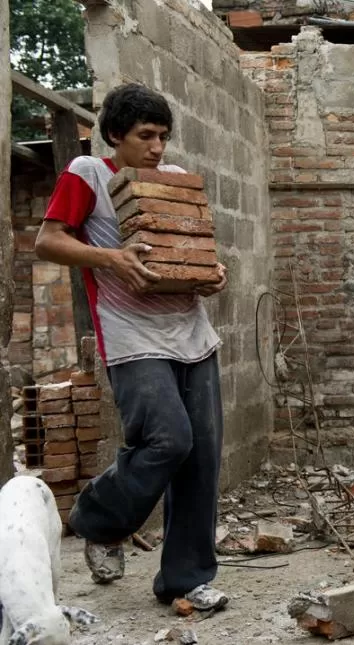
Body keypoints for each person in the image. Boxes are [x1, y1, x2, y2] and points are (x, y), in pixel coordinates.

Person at [34, 83, 230, 611]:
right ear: (116, 134)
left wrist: (212, 274)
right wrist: (112, 259)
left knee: (202, 459)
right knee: (169, 440)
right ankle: (99, 520)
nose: (158, 147)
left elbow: (197, 250)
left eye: (164, 136)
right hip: (130, 334)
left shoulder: (172, 182)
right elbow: (48, 240)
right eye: (146, 135)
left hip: (192, 332)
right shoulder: (88, 175)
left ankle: (185, 581)